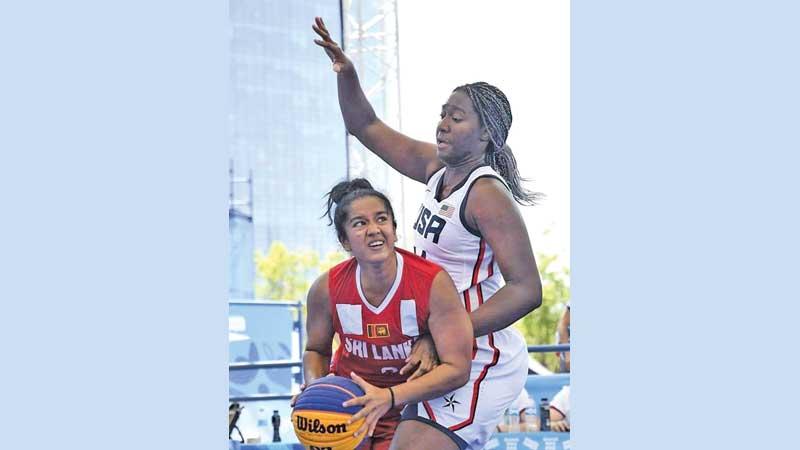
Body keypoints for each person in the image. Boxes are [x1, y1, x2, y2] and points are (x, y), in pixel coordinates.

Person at [313, 16, 543, 450]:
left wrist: (447, 334)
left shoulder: (486, 194)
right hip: (434, 342)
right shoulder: (438, 171)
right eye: (442, 114)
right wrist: (347, 74)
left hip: (480, 352)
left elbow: (528, 289)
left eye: (456, 118)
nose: (442, 124)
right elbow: (365, 126)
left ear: (487, 134)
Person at [297, 178, 473, 450]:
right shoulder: (326, 288)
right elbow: (316, 350)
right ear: (344, 241)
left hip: (412, 405)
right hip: (349, 406)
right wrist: (316, 390)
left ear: (394, 229)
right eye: (360, 223)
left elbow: (458, 369)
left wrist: (389, 397)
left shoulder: (432, 282)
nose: (374, 230)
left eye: (381, 219)